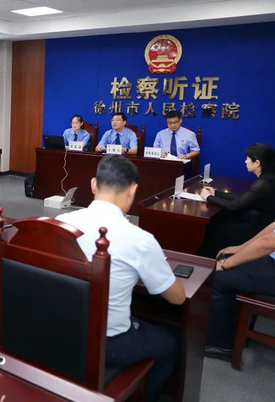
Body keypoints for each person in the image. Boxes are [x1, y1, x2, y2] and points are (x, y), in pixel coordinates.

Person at [57, 155, 185, 402]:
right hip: (110, 345)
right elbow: (177, 298)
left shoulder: (60, 223)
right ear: (132, 190)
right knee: (172, 341)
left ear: (93, 184)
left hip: (61, 329)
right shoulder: (140, 239)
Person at [205, 221, 275, 360]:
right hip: (270, 258)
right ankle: (232, 329)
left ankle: (220, 345)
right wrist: (242, 248)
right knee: (227, 258)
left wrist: (222, 265)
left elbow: (268, 243)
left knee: (218, 279)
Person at [198, 143, 275, 258]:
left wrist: (209, 198)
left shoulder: (263, 183)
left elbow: (234, 205)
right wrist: (216, 193)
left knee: (214, 231)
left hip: (260, 229)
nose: (245, 161)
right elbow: (243, 197)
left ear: (257, 163)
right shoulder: (269, 177)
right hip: (263, 223)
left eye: (247, 159)